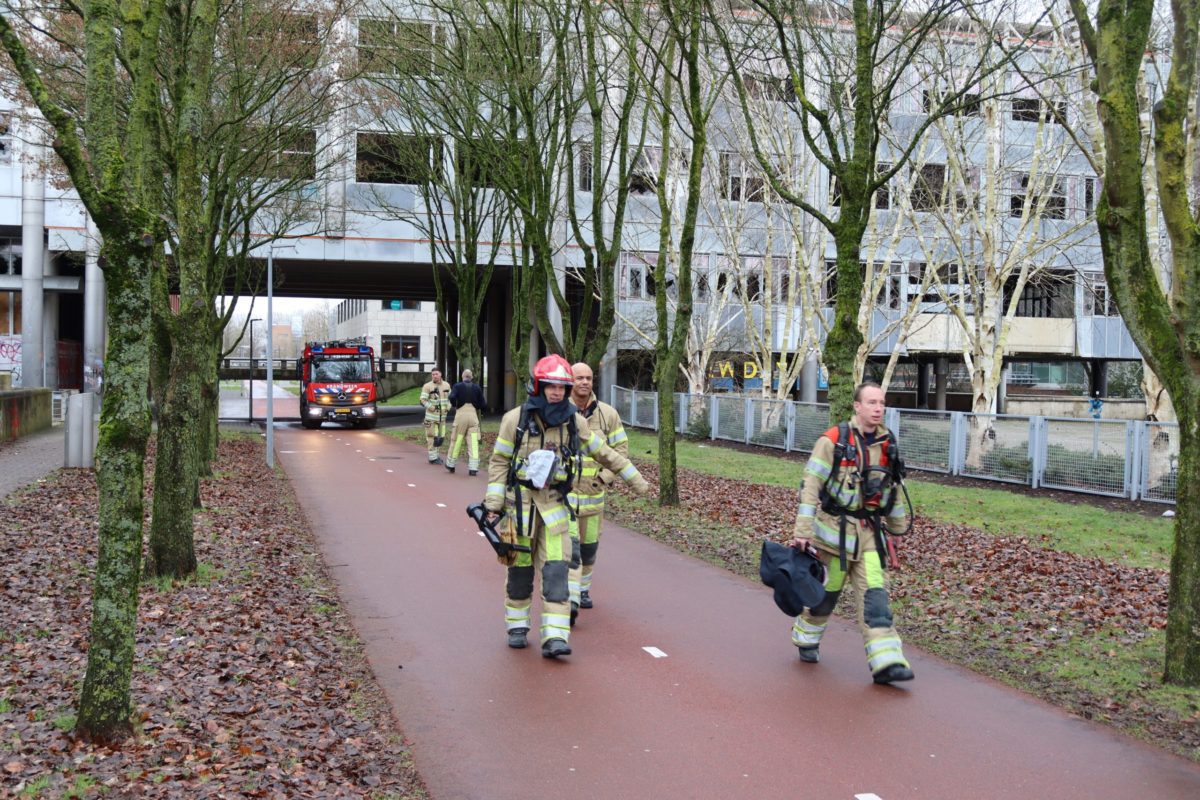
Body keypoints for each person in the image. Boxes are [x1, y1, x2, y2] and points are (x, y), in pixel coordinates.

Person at [482, 354, 651, 659]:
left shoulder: (575, 421)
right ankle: (517, 627)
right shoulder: (515, 419)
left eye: (562, 387)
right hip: (518, 510)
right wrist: (493, 502)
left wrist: (636, 480)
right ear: (540, 386)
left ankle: (555, 637)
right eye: (551, 386)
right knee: (518, 573)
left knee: (557, 572)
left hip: (556, 509)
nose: (557, 392)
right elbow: (498, 461)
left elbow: (606, 454)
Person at [789, 381, 914, 685]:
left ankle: (886, 661)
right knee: (825, 597)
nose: (878, 408)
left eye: (882, 403)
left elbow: (894, 489)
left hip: (870, 537)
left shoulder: (887, 442)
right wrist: (802, 531)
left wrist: (897, 529)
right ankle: (806, 637)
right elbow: (810, 487)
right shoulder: (832, 440)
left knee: (876, 597)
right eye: (872, 403)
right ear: (857, 406)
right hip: (833, 537)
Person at [566, 361, 629, 619]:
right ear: (570, 381)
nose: (584, 382)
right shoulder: (558, 412)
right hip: (565, 497)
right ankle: (569, 595)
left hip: (594, 498)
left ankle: (583, 590)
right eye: (579, 377)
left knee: (589, 549)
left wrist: (605, 477)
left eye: (588, 378)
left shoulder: (608, 414)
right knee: (571, 550)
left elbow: (621, 451)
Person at [446, 368, 488, 475]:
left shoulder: (457, 386)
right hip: (473, 415)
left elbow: (451, 397)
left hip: (461, 414)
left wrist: (455, 405)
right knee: (473, 441)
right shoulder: (477, 387)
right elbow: (483, 404)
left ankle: (451, 464)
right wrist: (478, 408)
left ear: (462, 376)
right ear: (472, 377)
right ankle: (473, 468)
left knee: (457, 439)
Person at [420, 368, 450, 464]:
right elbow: (422, 400)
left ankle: (436, 456)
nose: (434, 376)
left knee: (440, 438)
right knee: (432, 437)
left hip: (442, 418)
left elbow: (451, 399)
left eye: (436, 374)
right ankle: (432, 458)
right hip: (431, 418)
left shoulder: (446, 385)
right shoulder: (427, 386)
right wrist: (431, 407)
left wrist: (448, 407)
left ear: (440, 374)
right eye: (433, 374)